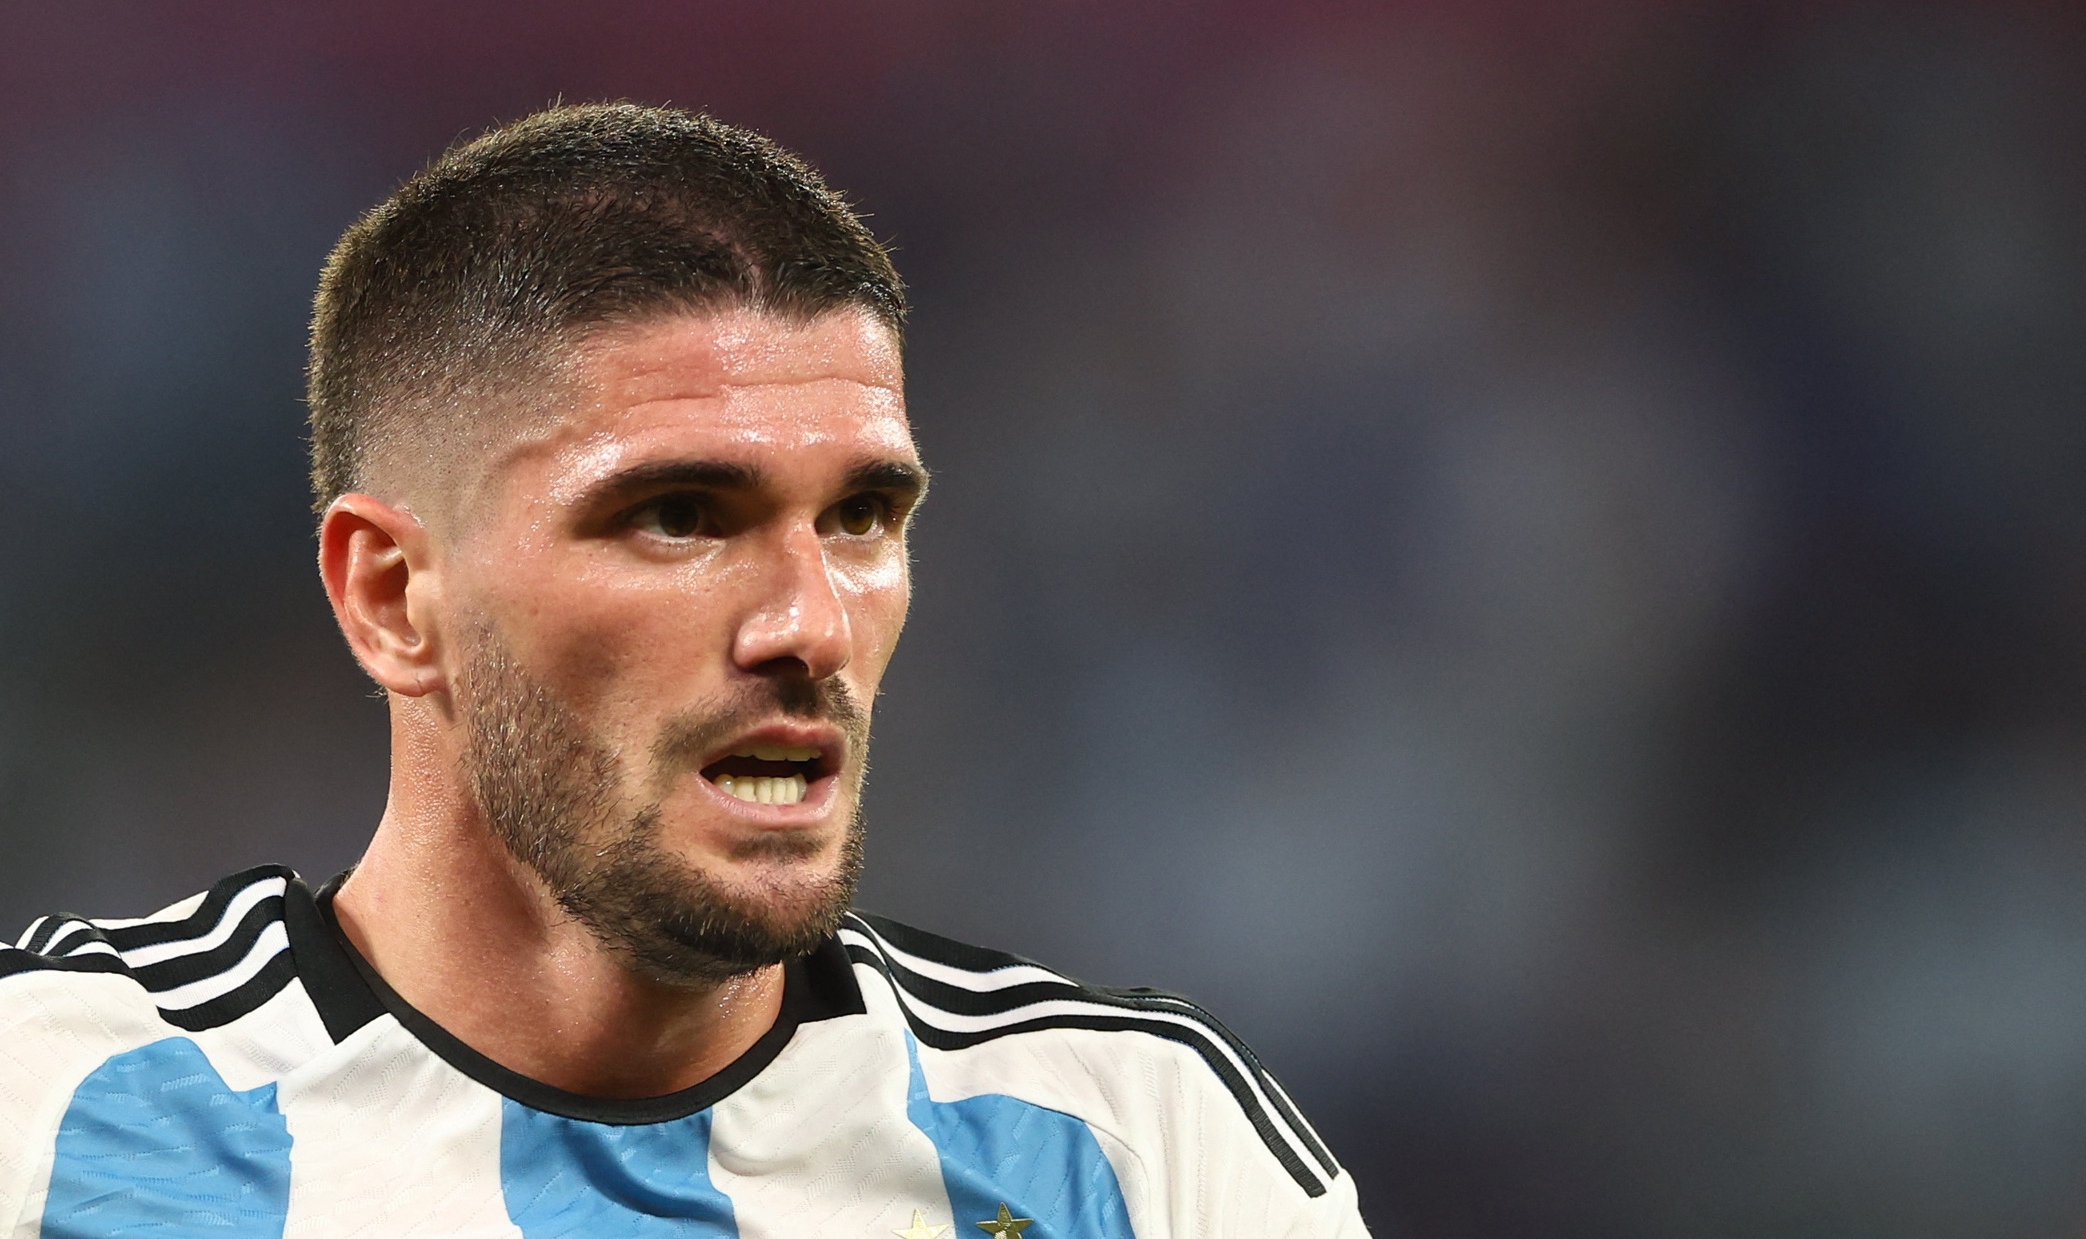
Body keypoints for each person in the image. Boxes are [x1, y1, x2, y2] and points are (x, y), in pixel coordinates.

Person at [0, 103, 1367, 1237]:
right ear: (395, 598)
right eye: (678, 516)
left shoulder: (1133, 1153)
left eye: (861, 517)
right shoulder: (48, 1116)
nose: (810, 625)